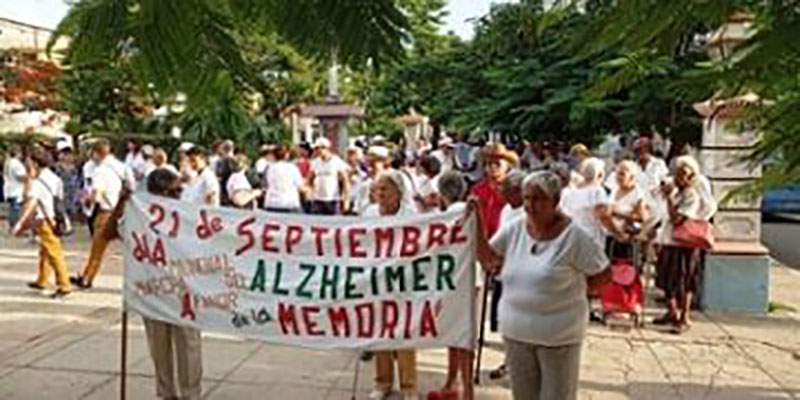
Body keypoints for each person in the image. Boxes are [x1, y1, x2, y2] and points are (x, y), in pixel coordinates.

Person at [472, 171, 611, 400]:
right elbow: (488, 259)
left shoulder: (575, 237)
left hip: (558, 338)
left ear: (555, 201)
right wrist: (476, 221)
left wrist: (575, 293)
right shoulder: (515, 228)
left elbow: (604, 273)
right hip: (516, 334)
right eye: (526, 198)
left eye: (538, 199)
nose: (530, 205)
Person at [104, 168, 204, 399]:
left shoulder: (188, 216)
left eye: (177, 191)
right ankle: (167, 393)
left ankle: (190, 394)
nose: (175, 196)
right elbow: (108, 234)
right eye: (171, 192)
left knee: (188, 347)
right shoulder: (139, 216)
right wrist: (121, 204)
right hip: (154, 292)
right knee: (160, 350)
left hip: (185, 293)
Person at [368, 170, 418, 400]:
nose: (380, 194)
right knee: (380, 332)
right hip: (375, 282)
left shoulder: (412, 215)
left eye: (385, 189)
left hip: (404, 282)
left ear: (398, 192)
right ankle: (382, 383)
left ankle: (409, 385)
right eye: (377, 189)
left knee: (405, 334)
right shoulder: (368, 213)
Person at [653, 156, 716, 334]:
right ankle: (672, 312)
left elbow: (677, 219)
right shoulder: (677, 192)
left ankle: (684, 316)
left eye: (684, 175)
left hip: (685, 244)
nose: (680, 179)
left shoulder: (691, 195)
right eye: (678, 174)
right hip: (670, 241)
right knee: (667, 279)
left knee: (685, 279)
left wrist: (668, 199)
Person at [428, 170, 474, 400]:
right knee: (457, 334)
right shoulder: (466, 210)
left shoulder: (451, 215)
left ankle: (461, 386)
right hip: (464, 278)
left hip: (457, 280)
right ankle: (453, 383)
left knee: (460, 335)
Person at [12, 149, 72, 298]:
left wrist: (20, 222)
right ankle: (43, 279)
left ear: (35, 164)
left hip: (44, 219)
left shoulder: (37, 182)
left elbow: (30, 201)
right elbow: (60, 197)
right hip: (54, 218)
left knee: (53, 252)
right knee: (45, 251)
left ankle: (64, 284)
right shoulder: (55, 178)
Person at [72, 139, 127, 289]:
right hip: (118, 210)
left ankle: (87, 278)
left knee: (97, 248)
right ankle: (86, 276)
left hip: (104, 212)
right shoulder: (120, 167)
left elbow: (96, 195)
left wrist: (85, 200)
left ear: (96, 153)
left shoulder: (100, 171)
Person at [559, 157, 614, 249]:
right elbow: (603, 216)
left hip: (571, 238)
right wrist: (617, 233)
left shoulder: (567, 192)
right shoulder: (597, 192)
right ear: (600, 174)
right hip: (591, 239)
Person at [608, 160, 649, 258]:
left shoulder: (637, 194)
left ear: (631, 176)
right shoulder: (615, 189)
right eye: (617, 173)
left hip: (625, 237)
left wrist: (617, 214)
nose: (618, 177)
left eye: (622, 174)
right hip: (610, 234)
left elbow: (642, 217)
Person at [308, 137, 350, 215]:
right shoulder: (315, 163)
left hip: (333, 199)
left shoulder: (337, 161)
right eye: (316, 148)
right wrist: (310, 193)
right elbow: (309, 179)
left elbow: (345, 180)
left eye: (321, 148)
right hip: (318, 199)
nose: (319, 151)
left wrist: (346, 200)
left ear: (327, 148)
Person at [263, 145, 306, 213]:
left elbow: (266, 185)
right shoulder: (292, 168)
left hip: (272, 203)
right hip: (289, 204)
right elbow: (301, 187)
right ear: (286, 155)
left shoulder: (269, 168)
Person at [3, 145, 27, 233]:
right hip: (16, 189)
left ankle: (13, 227)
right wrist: (29, 177)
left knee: (13, 209)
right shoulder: (16, 163)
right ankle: (16, 228)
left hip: (10, 188)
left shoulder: (8, 162)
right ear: (17, 153)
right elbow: (21, 176)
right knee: (16, 210)